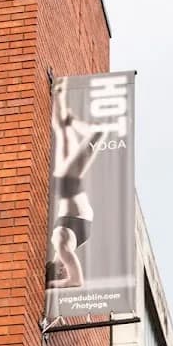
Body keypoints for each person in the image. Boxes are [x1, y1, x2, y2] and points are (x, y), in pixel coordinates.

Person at [45, 79, 107, 292]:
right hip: (77, 220)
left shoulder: (59, 247)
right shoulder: (61, 248)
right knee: (66, 178)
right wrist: (51, 285)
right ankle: (96, 133)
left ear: (55, 267)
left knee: (63, 137)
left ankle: (59, 98)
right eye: (64, 272)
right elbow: (76, 281)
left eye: (61, 272)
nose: (66, 271)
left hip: (72, 218)